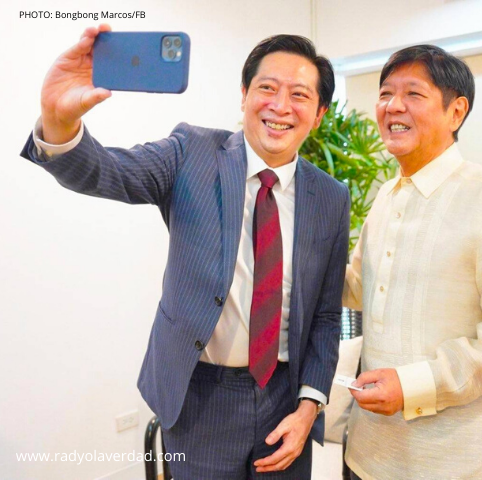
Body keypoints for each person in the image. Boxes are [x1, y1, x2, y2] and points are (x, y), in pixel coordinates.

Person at [20, 25, 350, 479]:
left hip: (285, 398)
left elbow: (327, 316)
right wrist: (58, 121)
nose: (280, 106)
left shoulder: (330, 196)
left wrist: (309, 407)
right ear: (243, 95)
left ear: (318, 114)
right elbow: (106, 172)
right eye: (267, 88)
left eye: (299, 95)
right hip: (200, 398)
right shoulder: (192, 152)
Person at [343, 45, 482, 479]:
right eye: (385, 93)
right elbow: (359, 287)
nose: (393, 106)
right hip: (365, 452)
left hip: (449, 462)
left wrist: (414, 385)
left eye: (413, 94)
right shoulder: (386, 196)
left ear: (456, 112)